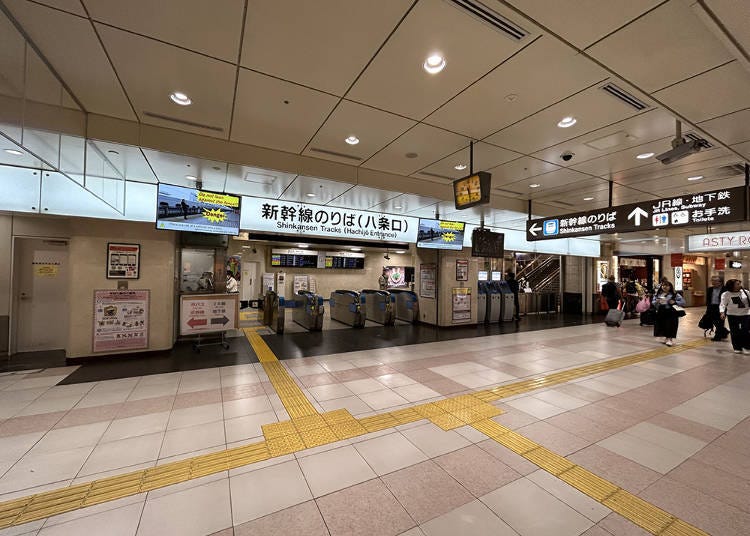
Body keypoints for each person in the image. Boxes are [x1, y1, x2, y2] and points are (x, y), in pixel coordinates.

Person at [719, 279, 750, 354]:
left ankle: (746, 346)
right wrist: (722, 313)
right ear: (732, 286)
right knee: (734, 331)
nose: (740, 285)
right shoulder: (726, 294)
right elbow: (723, 304)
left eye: (739, 283)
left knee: (745, 331)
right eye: (737, 284)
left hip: (745, 314)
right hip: (732, 315)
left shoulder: (746, 292)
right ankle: (737, 347)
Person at [652, 280, 685, 346]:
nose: (665, 287)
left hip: (671, 313)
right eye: (663, 285)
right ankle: (666, 338)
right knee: (663, 325)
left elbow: (683, 302)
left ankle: (670, 339)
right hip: (661, 312)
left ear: (670, 287)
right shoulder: (658, 294)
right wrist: (657, 302)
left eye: (667, 285)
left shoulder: (675, 294)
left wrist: (675, 302)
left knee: (671, 326)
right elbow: (653, 302)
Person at [705, 276, 727, 341]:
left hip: (721, 307)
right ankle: (725, 332)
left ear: (720, 282)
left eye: (715, 281)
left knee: (720, 322)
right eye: (712, 280)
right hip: (712, 307)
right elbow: (708, 299)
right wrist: (708, 308)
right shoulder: (710, 289)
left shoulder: (725, 289)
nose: (713, 282)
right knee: (714, 321)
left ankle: (718, 336)